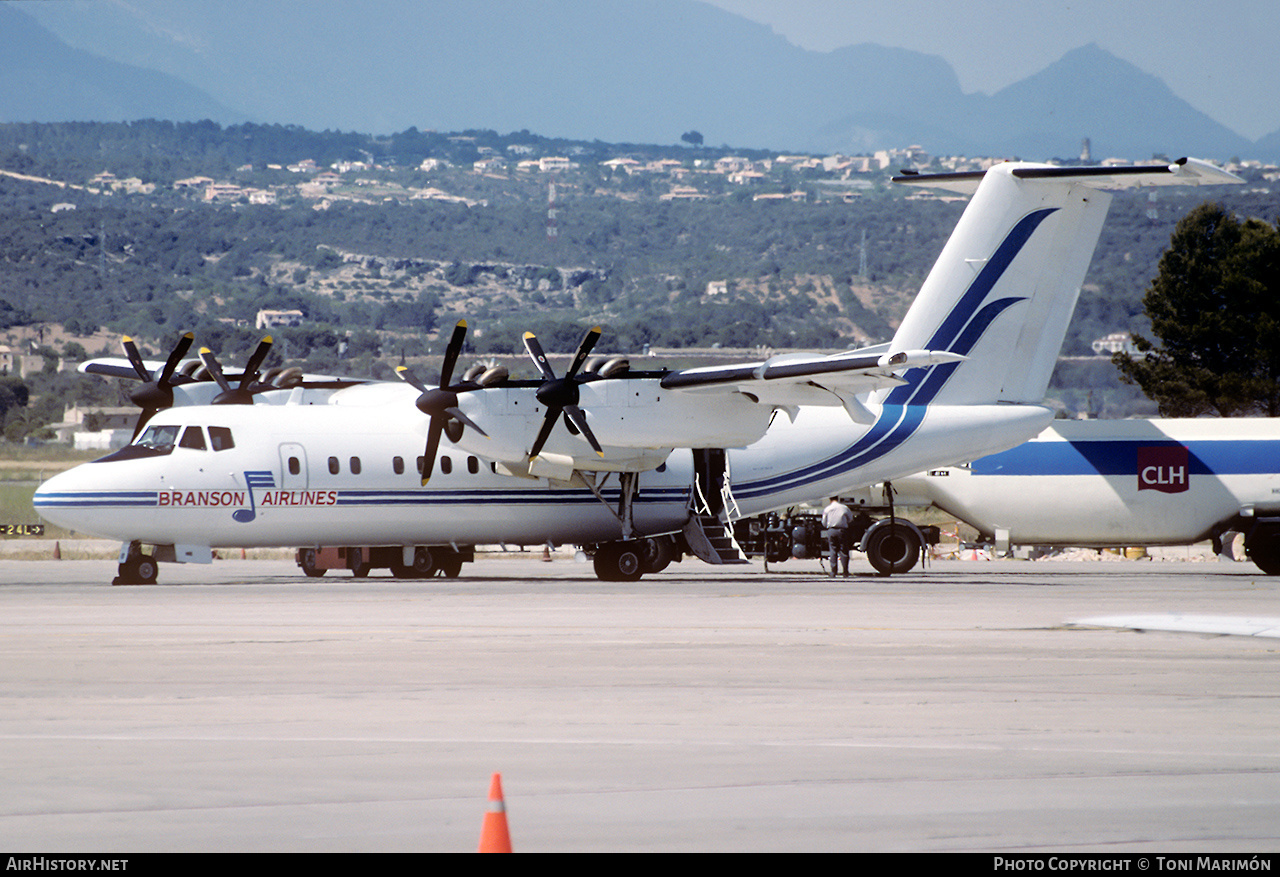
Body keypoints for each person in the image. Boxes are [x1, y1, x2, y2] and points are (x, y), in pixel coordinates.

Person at [822, 496, 853, 577]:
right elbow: (850, 519)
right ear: (838, 498)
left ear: (830, 499)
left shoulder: (827, 509)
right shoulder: (844, 508)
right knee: (844, 551)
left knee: (833, 551)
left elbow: (824, 522)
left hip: (831, 530)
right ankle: (845, 572)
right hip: (842, 530)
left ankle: (833, 572)